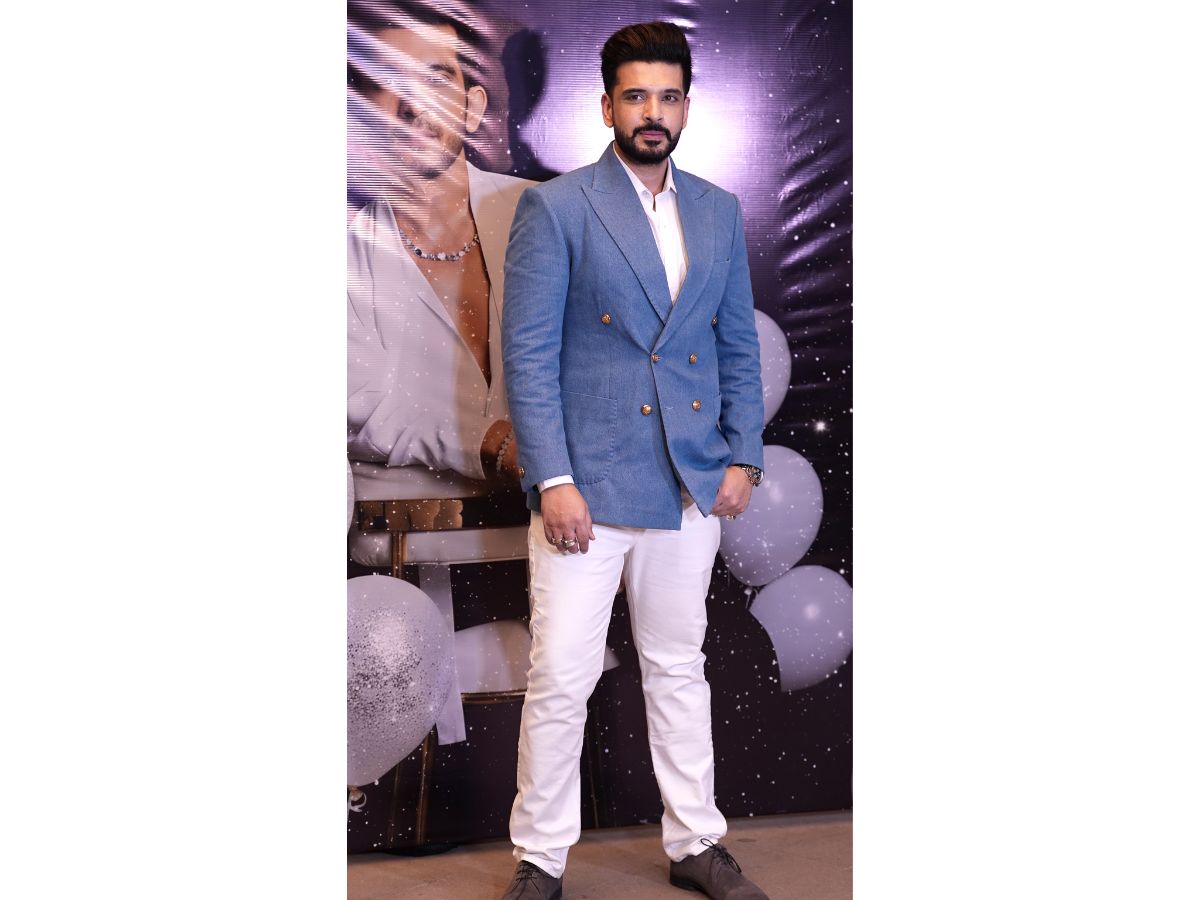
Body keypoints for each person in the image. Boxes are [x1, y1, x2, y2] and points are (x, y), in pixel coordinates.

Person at [500, 21, 769, 900]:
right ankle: (541, 860)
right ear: (607, 105)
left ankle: (696, 843)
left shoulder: (719, 210)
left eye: (668, 96)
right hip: (585, 489)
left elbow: (737, 346)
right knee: (560, 680)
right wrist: (553, 480)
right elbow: (528, 355)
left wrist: (743, 457)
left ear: (686, 105)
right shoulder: (557, 208)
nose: (653, 112)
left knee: (679, 670)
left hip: (689, 483)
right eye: (636, 96)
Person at [347, 0, 530, 494]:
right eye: (389, 81)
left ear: (473, 108)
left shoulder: (546, 215)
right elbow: (360, 406)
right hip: (401, 536)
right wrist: (492, 441)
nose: (414, 105)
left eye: (435, 79)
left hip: (563, 532)